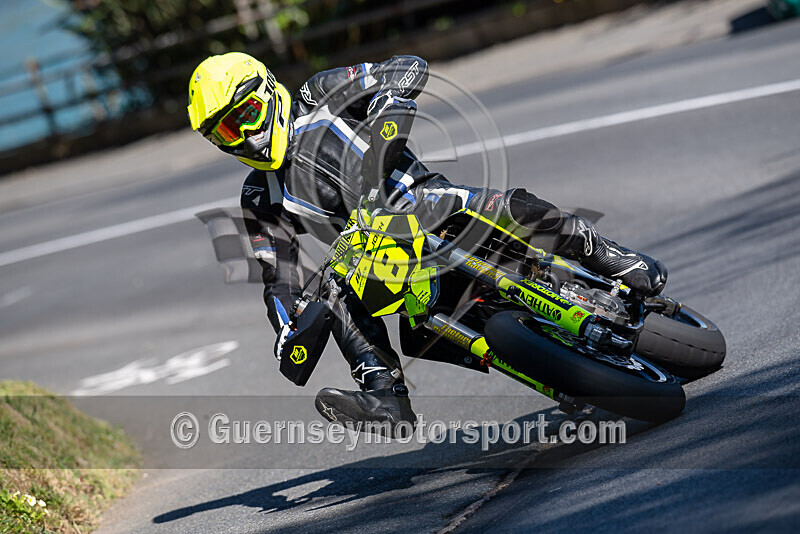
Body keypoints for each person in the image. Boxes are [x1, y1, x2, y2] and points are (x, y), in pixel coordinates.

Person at [187, 52, 667, 432]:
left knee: (497, 204)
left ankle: (607, 255)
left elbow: (405, 70)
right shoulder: (258, 194)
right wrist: (290, 329)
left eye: (244, 116)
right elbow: (277, 275)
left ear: (267, 90)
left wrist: (382, 123)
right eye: (225, 133)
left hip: (420, 199)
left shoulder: (319, 92)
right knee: (328, 290)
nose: (244, 138)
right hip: (374, 254)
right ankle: (385, 394)